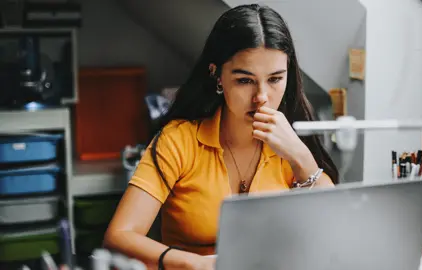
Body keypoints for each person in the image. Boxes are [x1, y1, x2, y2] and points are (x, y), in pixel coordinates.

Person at [104, 4, 338, 270]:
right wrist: (197, 264)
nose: (261, 97)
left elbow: (333, 233)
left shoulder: (292, 144)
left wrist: (300, 156)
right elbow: (118, 237)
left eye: (274, 79)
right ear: (218, 75)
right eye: (245, 80)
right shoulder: (178, 141)